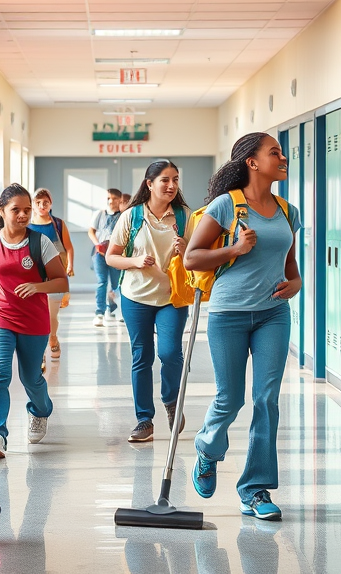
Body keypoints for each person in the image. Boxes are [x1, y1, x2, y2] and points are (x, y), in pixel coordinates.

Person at [184, 132, 302, 522]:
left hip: (273, 313)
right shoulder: (226, 206)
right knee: (230, 398)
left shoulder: (288, 210)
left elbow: (290, 267)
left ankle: (255, 490)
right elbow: (192, 258)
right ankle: (207, 448)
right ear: (252, 162)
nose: (283, 157)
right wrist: (233, 249)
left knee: (266, 400)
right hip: (229, 314)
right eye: (274, 153)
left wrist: (297, 284)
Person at [0, 184, 68, 459]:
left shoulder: (41, 243)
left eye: (27, 210)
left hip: (33, 321)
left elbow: (61, 281)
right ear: (2, 211)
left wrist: (37, 287)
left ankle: (40, 410)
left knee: (30, 377)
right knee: (0, 372)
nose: (23, 215)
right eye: (16, 210)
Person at [104, 160, 191, 443]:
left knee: (170, 353)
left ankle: (171, 401)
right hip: (136, 297)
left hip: (172, 297)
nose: (171, 185)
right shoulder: (131, 216)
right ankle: (144, 420)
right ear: (149, 184)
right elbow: (111, 256)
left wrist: (187, 248)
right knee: (142, 356)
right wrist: (135, 261)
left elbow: (199, 256)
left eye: (175, 180)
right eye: (165, 180)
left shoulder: (185, 216)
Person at [28, 188, 74, 360]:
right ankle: (39, 350)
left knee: (51, 314)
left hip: (54, 276)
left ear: (51, 204)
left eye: (45, 203)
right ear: (32, 205)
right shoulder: (26, 225)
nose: (41, 206)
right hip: (33, 276)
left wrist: (70, 265)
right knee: (35, 314)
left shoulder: (58, 224)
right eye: (37, 202)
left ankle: (52, 337)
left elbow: (68, 247)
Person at [88, 188, 123, 327]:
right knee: (102, 282)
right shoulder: (99, 214)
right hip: (100, 255)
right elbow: (91, 231)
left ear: (120, 200)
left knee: (116, 284)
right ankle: (99, 313)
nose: (111, 201)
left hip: (115, 255)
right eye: (109, 198)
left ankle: (115, 310)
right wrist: (97, 244)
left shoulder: (123, 216)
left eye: (114, 198)